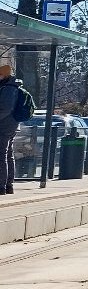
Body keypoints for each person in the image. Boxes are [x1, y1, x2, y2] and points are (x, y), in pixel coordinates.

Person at [0, 66, 35, 194]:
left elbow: (6, 108)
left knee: (2, 155)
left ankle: (2, 186)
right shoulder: (13, 86)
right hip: (12, 124)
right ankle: (8, 185)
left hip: (5, 125)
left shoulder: (9, 88)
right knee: (7, 154)